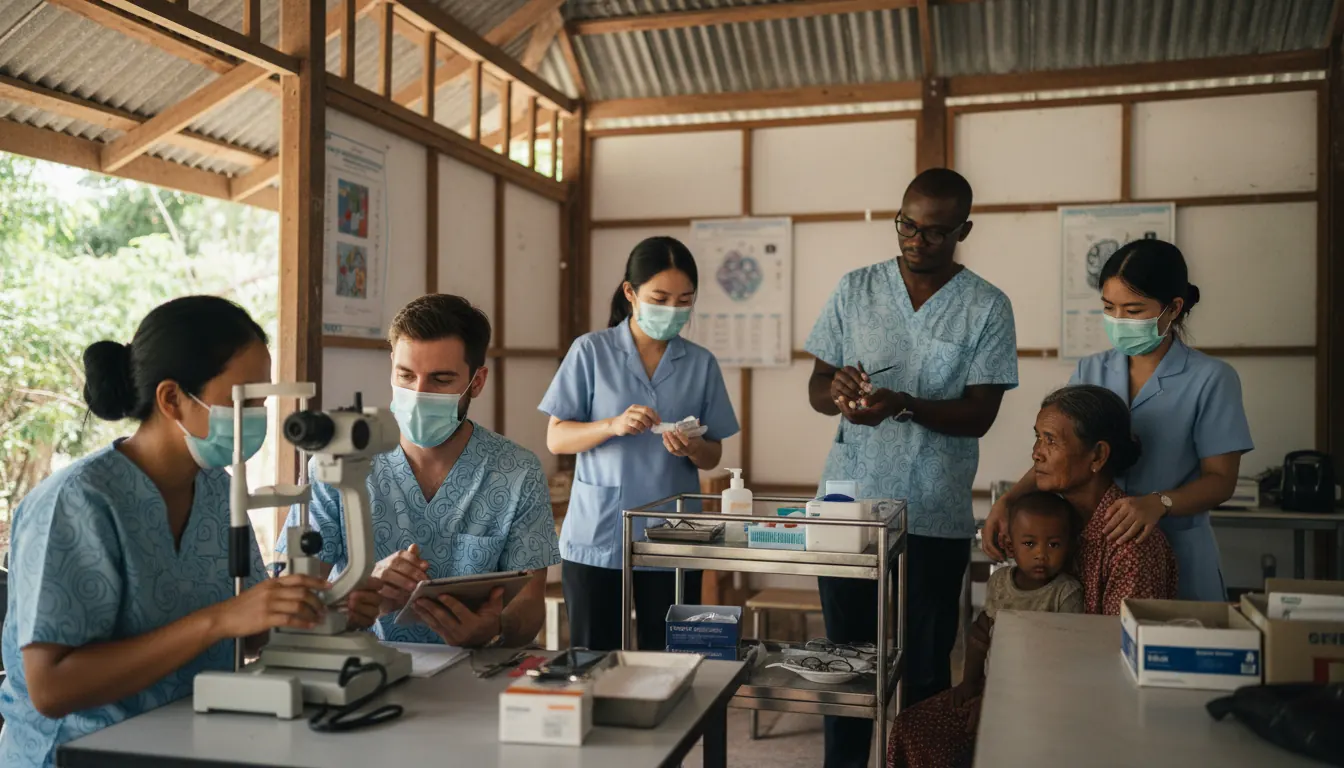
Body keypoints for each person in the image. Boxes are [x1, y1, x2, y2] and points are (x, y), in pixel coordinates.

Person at [0, 296, 383, 768]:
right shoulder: (77, 502)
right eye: (242, 401)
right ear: (172, 399)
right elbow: (50, 688)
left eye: (263, 402)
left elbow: (248, 627)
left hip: (193, 740)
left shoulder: (219, 491)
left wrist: (315, 611)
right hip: (78, 754)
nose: (258, 416)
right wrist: (219, 620)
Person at [805, 168, 1018, 768]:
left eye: (933, 232)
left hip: (935, 507)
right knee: (845, 664)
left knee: (926, 665)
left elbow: (980, 414)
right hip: (850, 508)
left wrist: (904, 404)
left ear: (963, 231)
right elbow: (818, 388)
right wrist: (841, 390)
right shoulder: (856, 289)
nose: (915, 240)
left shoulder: (986, 306)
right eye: (906, 224)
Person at [886, 384, 1178, 768]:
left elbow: (1117, 668)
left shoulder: (1131, 544)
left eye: (1051, 441)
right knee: (912, 725)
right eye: (1037, 438)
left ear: (1098, 455)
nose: (1036, 453)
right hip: (1019, 685)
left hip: (1085, 708)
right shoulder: (1048, 524)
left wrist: (1005, 704)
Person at [278, 294, 560, 648]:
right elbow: (292, 594)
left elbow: (530, 605)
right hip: (358, 663)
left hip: (473, 672)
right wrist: (360, 582)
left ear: (477, 381)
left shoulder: (515, 472)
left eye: (441, 380)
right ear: (392, 366)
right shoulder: (339, 463)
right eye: (406, 375)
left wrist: (496, 628)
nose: (418, 393)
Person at [983, 239, 1250, 601]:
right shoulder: (1091, 369)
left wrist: (1159, 503)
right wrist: (1009, 501)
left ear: (1173, 308)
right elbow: (1065, 451)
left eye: (1134, 310)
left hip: (1177, 544)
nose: (1119, 320)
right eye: (1110, 308)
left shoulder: (1211, 379)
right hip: (1096, 545)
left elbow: (1220, 481)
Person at [541, 236, 739, 652]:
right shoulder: (591, 352)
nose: (672, 310)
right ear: (630, 293)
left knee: (673, 660)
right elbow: (557, 437)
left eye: (684, 300)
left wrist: (691, 448)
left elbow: (713, 453)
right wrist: (611, 425)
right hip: (598, 534)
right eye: (660, 297)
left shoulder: (700, 363)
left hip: (673, 532)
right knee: (593, 661)